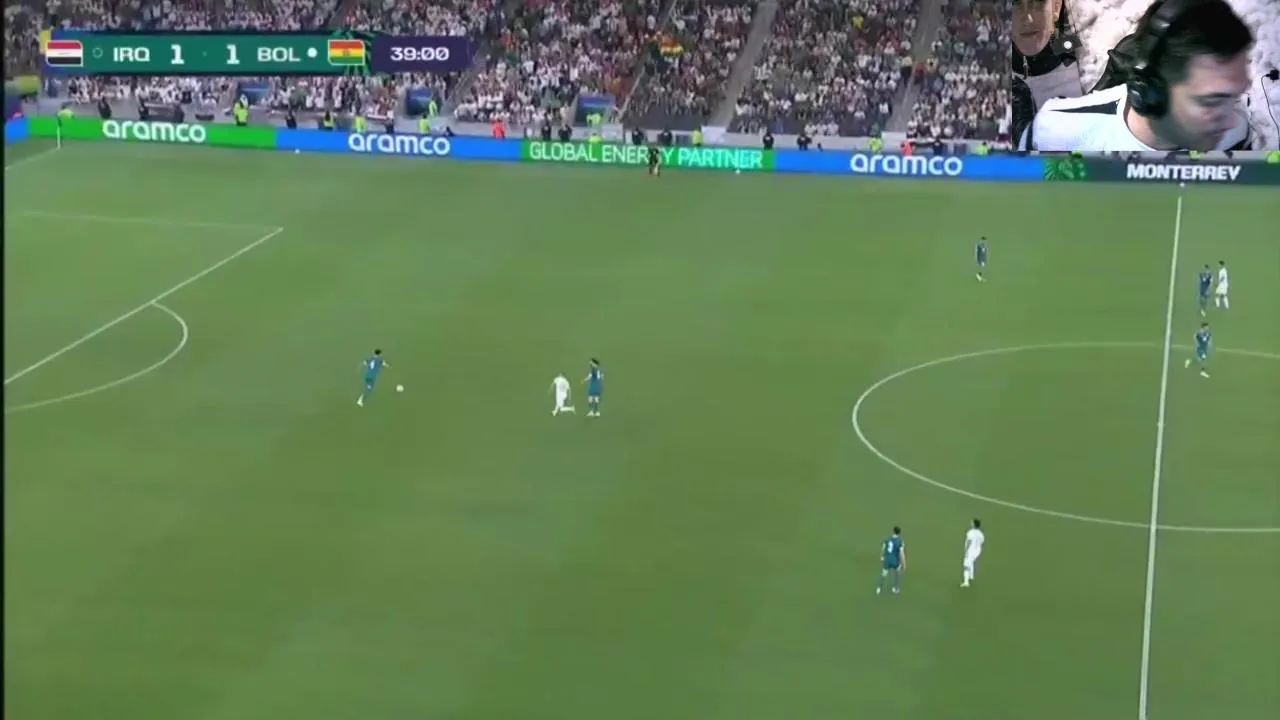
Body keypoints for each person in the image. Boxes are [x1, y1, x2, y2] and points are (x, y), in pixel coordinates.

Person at [1019, 0, 1254, 152]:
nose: (1231, 121)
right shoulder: (1053, 134)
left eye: (1232, 98)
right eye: (1211, 101)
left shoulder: (1234, 135)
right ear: (1152, 91)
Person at [1013, 0, 1085, 110]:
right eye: (1014, 3)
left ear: (1056, 7)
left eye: (1038, 3)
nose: (1028, 19)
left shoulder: (1087, 58)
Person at [876, 527, 905, 595]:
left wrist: (882, 556)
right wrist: (903, 563)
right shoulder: (900, 542)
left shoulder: (887, 539)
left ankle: (879, 588)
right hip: (895, 561)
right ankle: (895, 588)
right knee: (897, 573)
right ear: (899, 533)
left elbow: (883, 548)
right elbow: (901, 553)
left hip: (887, 560)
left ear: (893, 531)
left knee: (884, 574)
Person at [962, 519, 985, 588]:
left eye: (972, 522)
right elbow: (982, 542)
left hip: (971, 550)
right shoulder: (981, 534)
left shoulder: (970, 532)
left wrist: (966, 551)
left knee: (966, 565)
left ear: (974, 524)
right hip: (978, 551)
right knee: (971, 561)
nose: (971, 523)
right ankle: (971, 576)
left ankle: (966, 582)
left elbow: (969, 542)